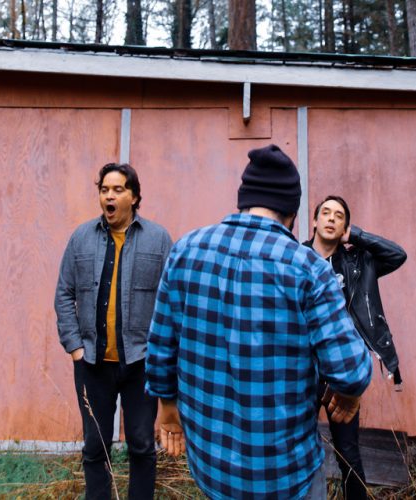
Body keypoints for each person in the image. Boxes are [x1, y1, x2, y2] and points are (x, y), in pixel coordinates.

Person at [146, 145, 373, 499]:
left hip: (213, 470)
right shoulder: (308, 268)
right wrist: (349, 394)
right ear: (293, 214)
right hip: (285, 476)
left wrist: (168, 410)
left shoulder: (186, 250)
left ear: (244, 200)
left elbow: (161, 347)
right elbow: (350, 370)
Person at [55, 162, 172, 499]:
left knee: (142, 444)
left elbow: (172, 298)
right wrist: (75, 347)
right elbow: (64, 293)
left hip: (141, 363)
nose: (109, 196)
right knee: (95, 447)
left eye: (118, 190)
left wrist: (162, 351)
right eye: (104, 190)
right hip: (92, 363)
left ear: (133, 197)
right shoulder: (81, 238)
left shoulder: (158, 239)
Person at [303, 195, 407, 500]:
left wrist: (357, 236)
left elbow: (397, 255)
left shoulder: (357, 262)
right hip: (302, 370)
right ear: (314, 221)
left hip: (342, 372)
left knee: (348, 454)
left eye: (339, 216)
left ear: (344, 227)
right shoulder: (296, 259)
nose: (331, 218)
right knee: (297, 448)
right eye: (325, 213)